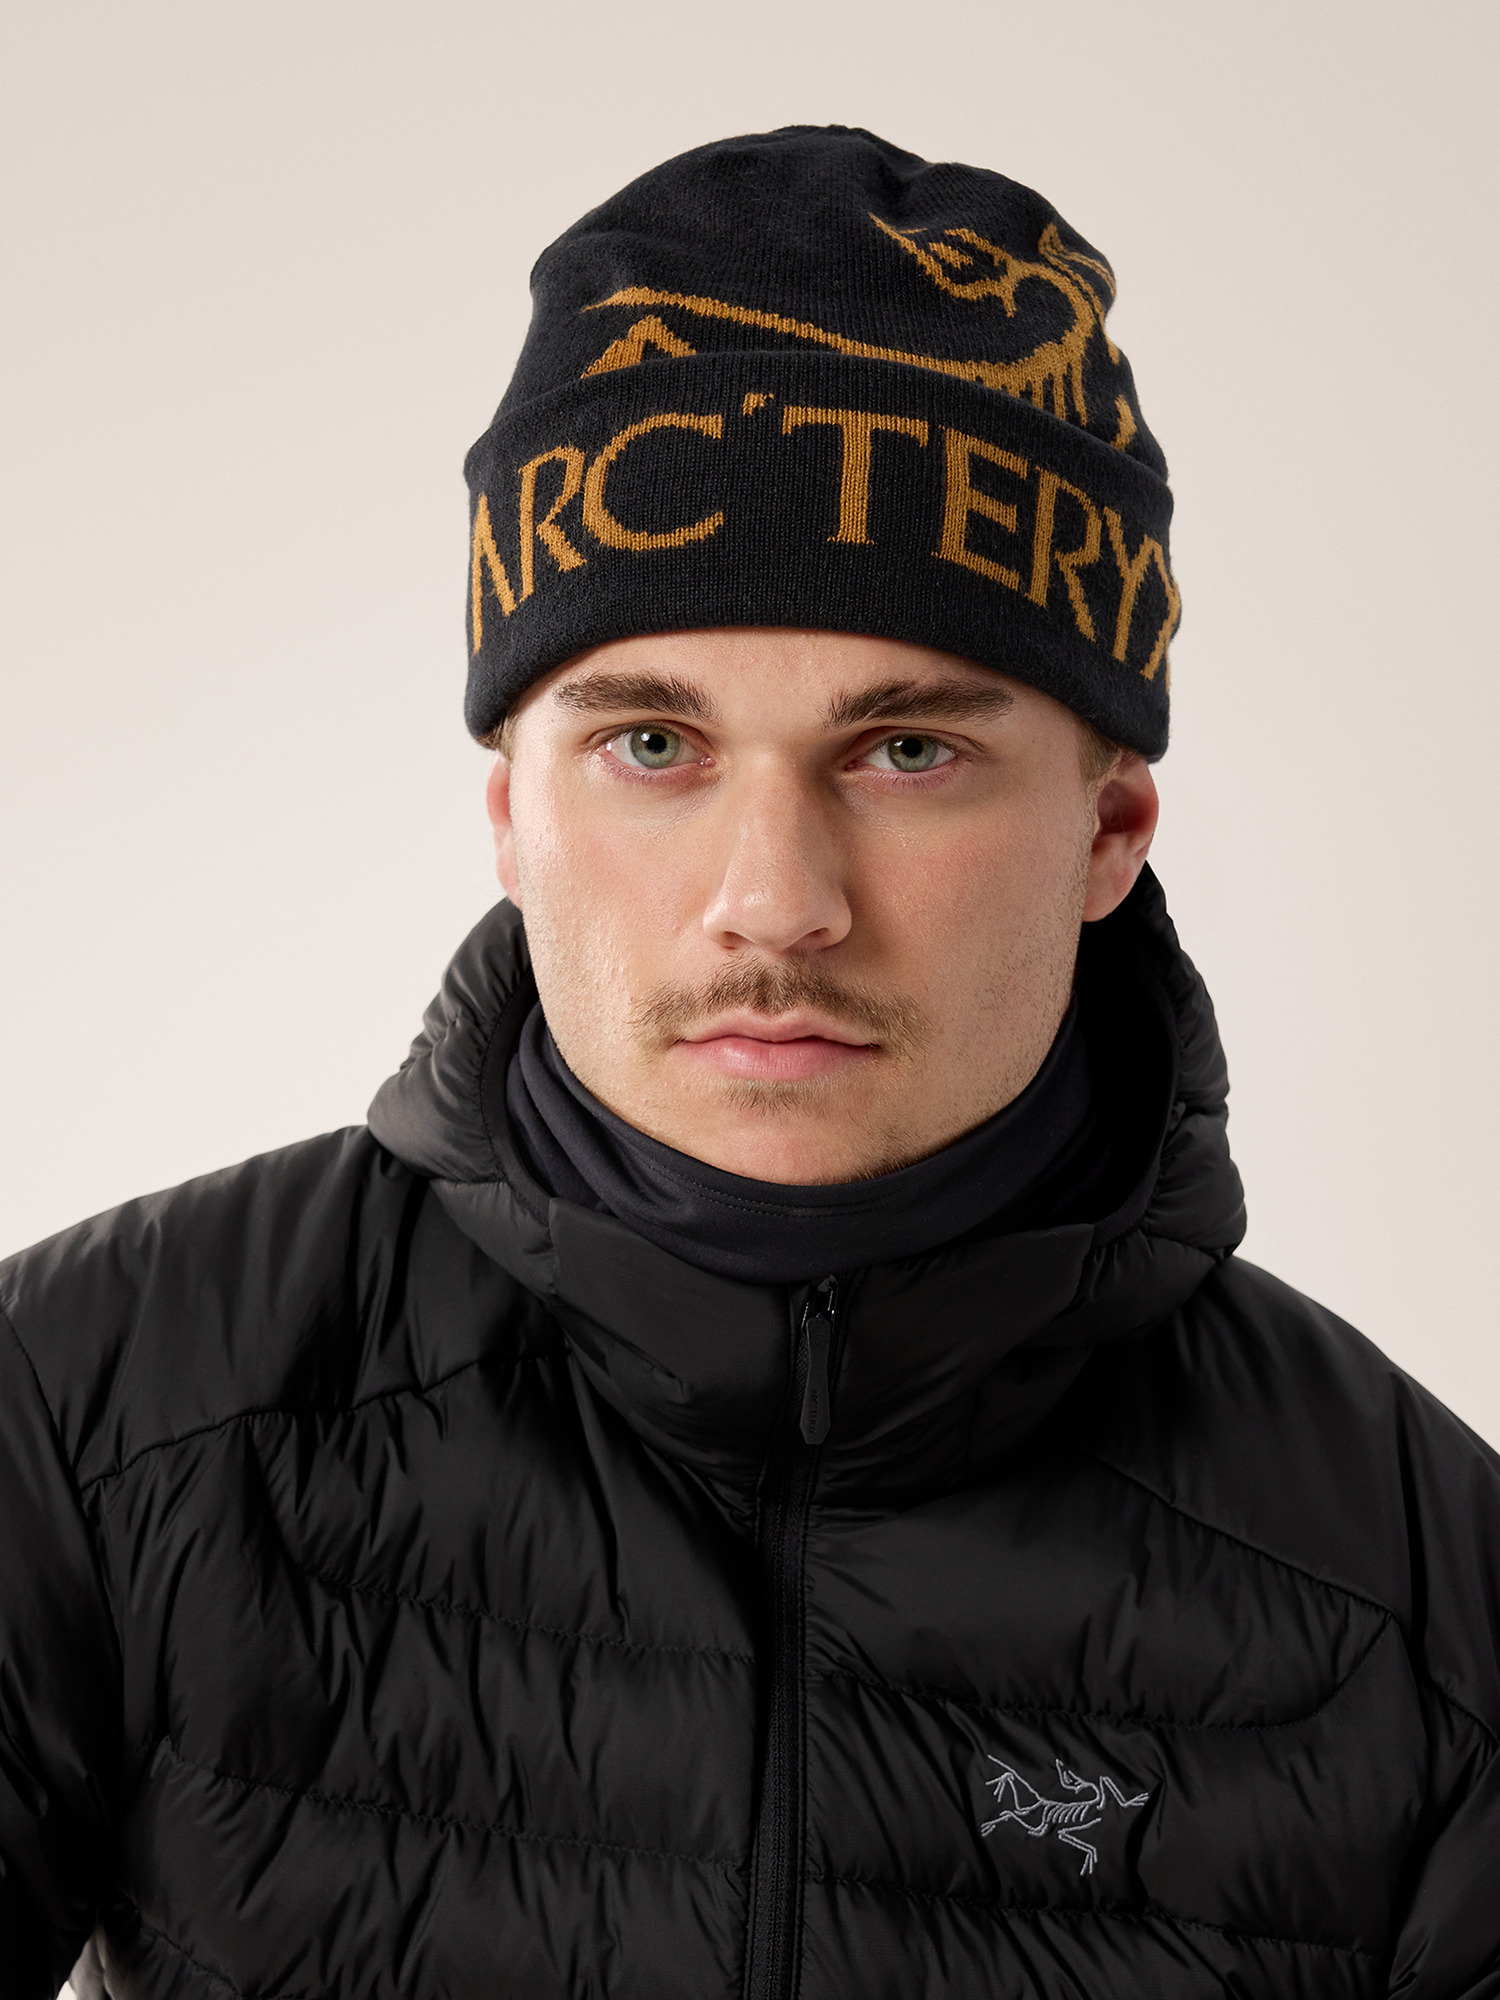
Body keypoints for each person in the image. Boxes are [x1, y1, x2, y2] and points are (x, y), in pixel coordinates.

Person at [3, 126, 1496, 2000]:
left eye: (908, 752)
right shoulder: (87, 1415)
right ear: (510, 813)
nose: (775, 902)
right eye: (652, 745)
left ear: (1110, 827)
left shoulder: (1427, 1592)